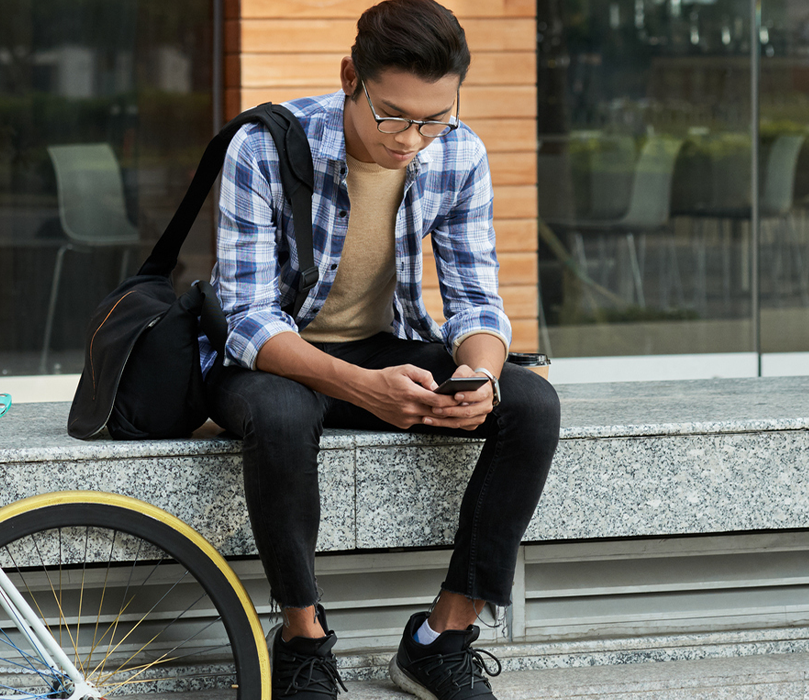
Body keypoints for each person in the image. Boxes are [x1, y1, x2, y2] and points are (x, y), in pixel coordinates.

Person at [203, 1, 559, 698]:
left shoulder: (458, 152)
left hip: (383, 348)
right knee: (280, 416)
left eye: (434, 117)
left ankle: (441, 639)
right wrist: (361, 389)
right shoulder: (267, 147)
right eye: (393, 114)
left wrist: (480, 377)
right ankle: (303, 642)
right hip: (274, 359)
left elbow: (477, 303)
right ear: (350, 80)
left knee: (531, 404)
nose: (412, 139)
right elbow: (245, 319)